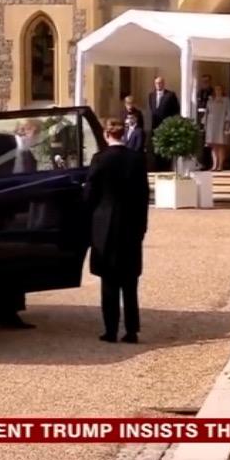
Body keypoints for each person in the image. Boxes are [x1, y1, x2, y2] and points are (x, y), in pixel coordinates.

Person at [85, 118, 149, 343]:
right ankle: (132, 330)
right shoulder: (137, 159)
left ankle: (110, 329)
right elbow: (143, 196)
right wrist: (143, 227)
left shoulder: (100, 159)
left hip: (105, 225)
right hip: (131, 224)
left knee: (109, 281)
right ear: (123, 134)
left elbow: (90, 194)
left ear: (106, 135)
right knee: (130, 282)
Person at [147, 77, 180, 171]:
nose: (158, 84)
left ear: (163, 83)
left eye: (160, 83)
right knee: (156, 148)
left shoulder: (170, 95)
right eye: (156, 83)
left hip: (166, 126)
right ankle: (157, 167)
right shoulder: (151, 95)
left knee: (166, 148)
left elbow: (176, 110)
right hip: (155, 127)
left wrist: (172, 124)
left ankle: (166, 168)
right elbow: (153, 110)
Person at [203, 85, 230, 172]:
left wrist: (228, 124)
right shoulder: (210, 101)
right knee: (213, 146)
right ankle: (214, 165)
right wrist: (204, 124)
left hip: (221, 124)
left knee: (220, 145)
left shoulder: (226, 100)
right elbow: (206, 113)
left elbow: (229, 112)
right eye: (216, 89)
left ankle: (220, 165)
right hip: (211, 125)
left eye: (219, 89)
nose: (218, 91)